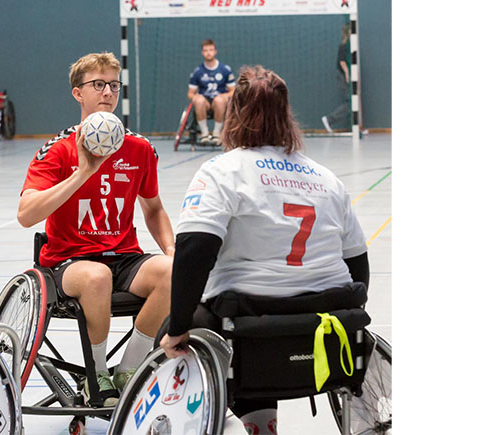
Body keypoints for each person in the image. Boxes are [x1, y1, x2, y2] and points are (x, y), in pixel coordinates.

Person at [161, 65, 369, 434]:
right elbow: (358, 266)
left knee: (180, 329)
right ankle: (262, 424)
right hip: (324, 332)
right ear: (287, 116)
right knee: (251, 322)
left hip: (248, 331)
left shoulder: (222, 171)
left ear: (233, 114)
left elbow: (194, 253)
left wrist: (177, 327)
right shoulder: (327, 179)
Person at [18, 52, 175, 407]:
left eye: (114, 85)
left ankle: (130, 369)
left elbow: (154, 209)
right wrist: (83, 173)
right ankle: (97, 376)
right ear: (78, 93)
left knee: (173, 270)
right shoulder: (57, 150)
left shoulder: (139, 148)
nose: (108, 92)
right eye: (98, 84)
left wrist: (170, 249)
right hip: (69, 262)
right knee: (97, 276)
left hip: (124, 257)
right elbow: (26, 215)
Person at [187, 38, 236, 145]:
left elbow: (233, 91)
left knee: (219, 100)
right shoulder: (198, 71)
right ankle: (204, 133)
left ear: (215, 51)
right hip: (205, 103)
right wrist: (195, 98)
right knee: (199, 100)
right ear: (202, 52)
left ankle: (216, 134)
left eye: (211, 50)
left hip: (220, 103)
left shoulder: (225, 69)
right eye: (205, 50)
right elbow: (190, 93)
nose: (208, 53)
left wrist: (225, 96)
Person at [322, 24, 351, 133]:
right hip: (344, 76)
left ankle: (357, 128)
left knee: (355, 103)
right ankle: (329, 119)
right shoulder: (344, 46)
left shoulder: (351, 45)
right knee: (351, 103)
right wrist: (347, 74)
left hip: (350, 75)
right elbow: (342, 61)